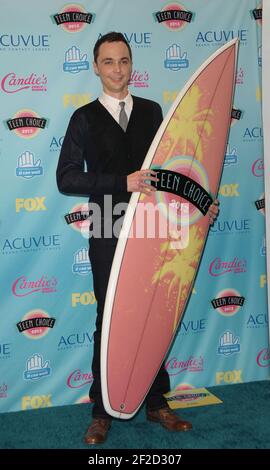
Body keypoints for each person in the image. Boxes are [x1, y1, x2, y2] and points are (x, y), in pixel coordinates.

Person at [57, 32, 218, 445]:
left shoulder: (152, 111)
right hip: (109, 225)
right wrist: (121, 182)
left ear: (132, 65)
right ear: (96, 67)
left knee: (154, 313)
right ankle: (101, 409)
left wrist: (200, 203)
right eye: (108, 62)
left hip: (153, 228)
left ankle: (156, 402)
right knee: (108, 319)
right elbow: (67, 177)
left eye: (123, 61)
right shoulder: (83, 118)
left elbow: (171, 171)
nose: (117, 69)